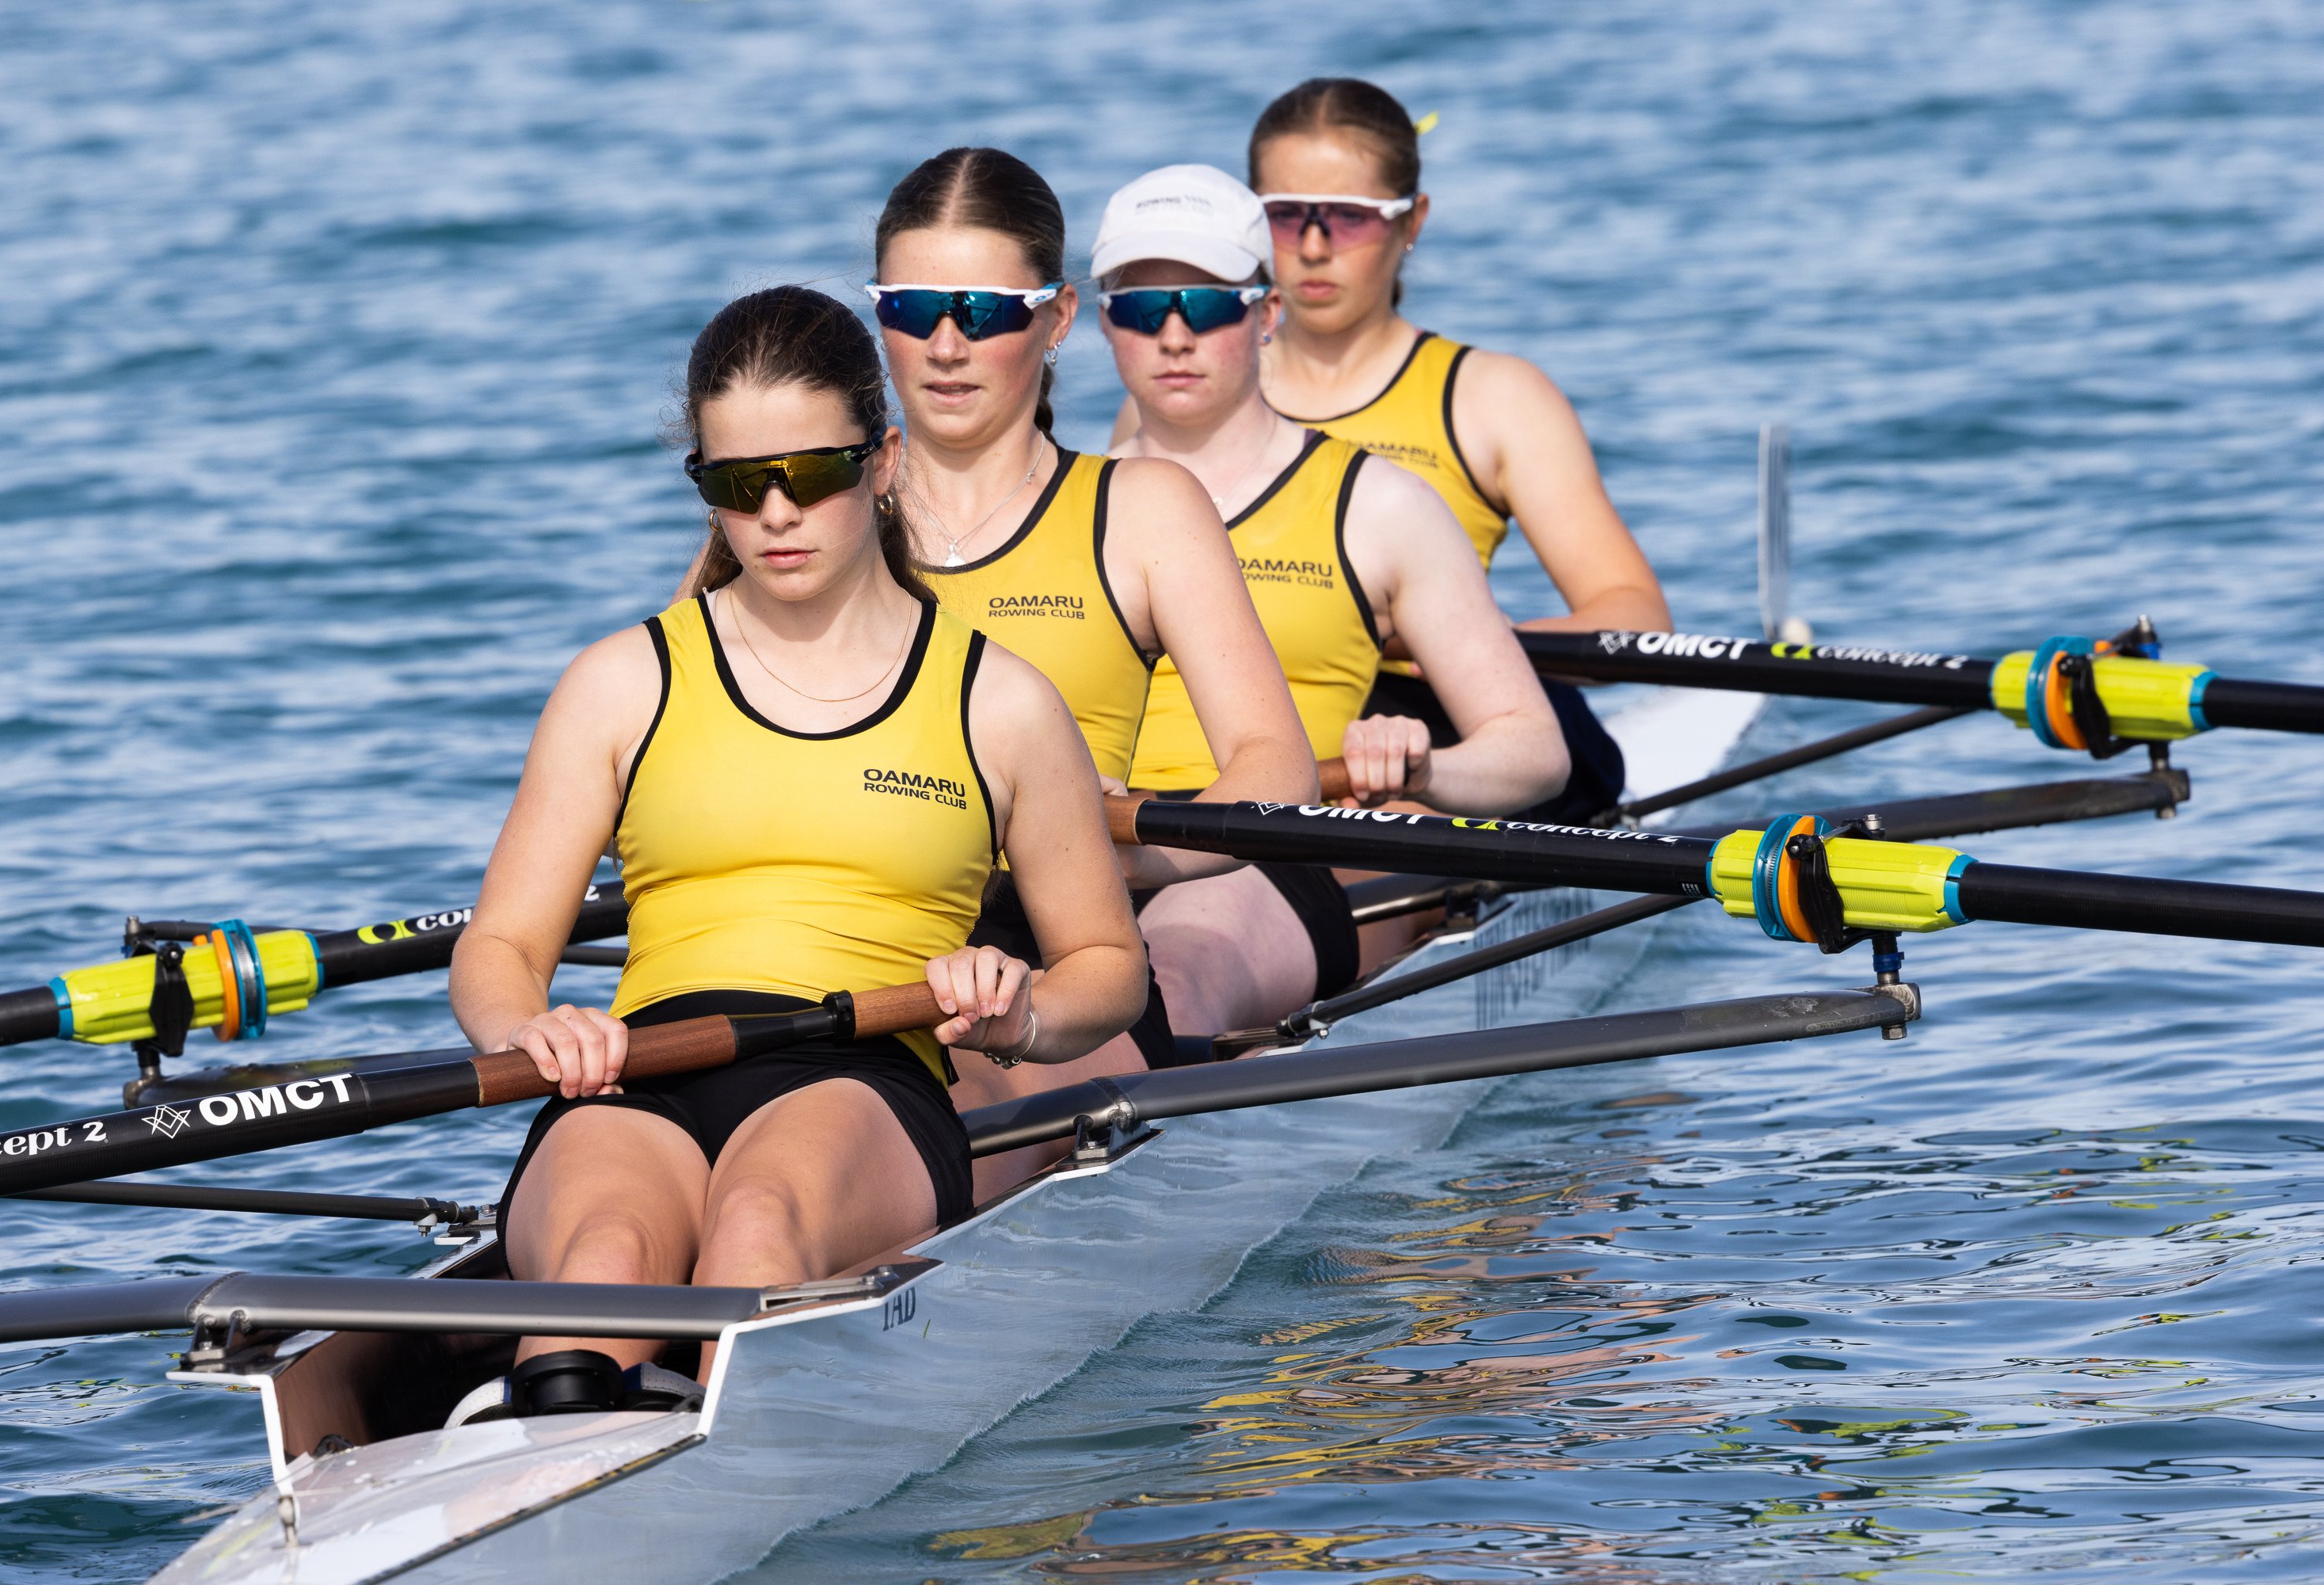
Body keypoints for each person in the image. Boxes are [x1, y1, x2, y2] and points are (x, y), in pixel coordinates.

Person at [447, 286, 1146, 1419]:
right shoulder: (621, 682)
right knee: (603, 1263)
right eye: (734, 485)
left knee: (759, 1225)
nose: (775, 512)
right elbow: (502, 945)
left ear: (883, 462)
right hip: (635, 1071)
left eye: (809, 474)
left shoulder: (1000, 701)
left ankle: (707, 1438)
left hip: (864, 1072)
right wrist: (529, 1027)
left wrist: (1018, 1009)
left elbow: (1110, 969)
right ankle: (563, 1433)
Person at [864, 148, 1318, 1195]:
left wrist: (1104, 861)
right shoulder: (804, 502)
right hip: (840, 942)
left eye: (983, 311)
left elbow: (1275, 772)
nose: (943, 344)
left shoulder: (1144, 510)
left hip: (1052, 965)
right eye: (912, 307)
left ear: (1059, 318)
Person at [1112, 80, 1671, 824]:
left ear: (1413, 223)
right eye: (1284, 217)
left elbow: (1637, 620)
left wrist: (1442, 632)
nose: (1312, 247)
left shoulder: (1492, 397)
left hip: (1423, 714)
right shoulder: (1176, 385)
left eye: (1348, 219)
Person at [1101, 164, 1570, 1040]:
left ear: (1266, 314)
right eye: (1140, 308)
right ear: (1099, 326)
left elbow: (1534, 751)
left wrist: (1426, 767)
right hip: (1091, 848)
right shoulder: (1054, 502)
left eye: (1205, 307)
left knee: (1173, 983)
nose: (1173, 336)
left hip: (1275, 847)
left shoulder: (1379, 506)